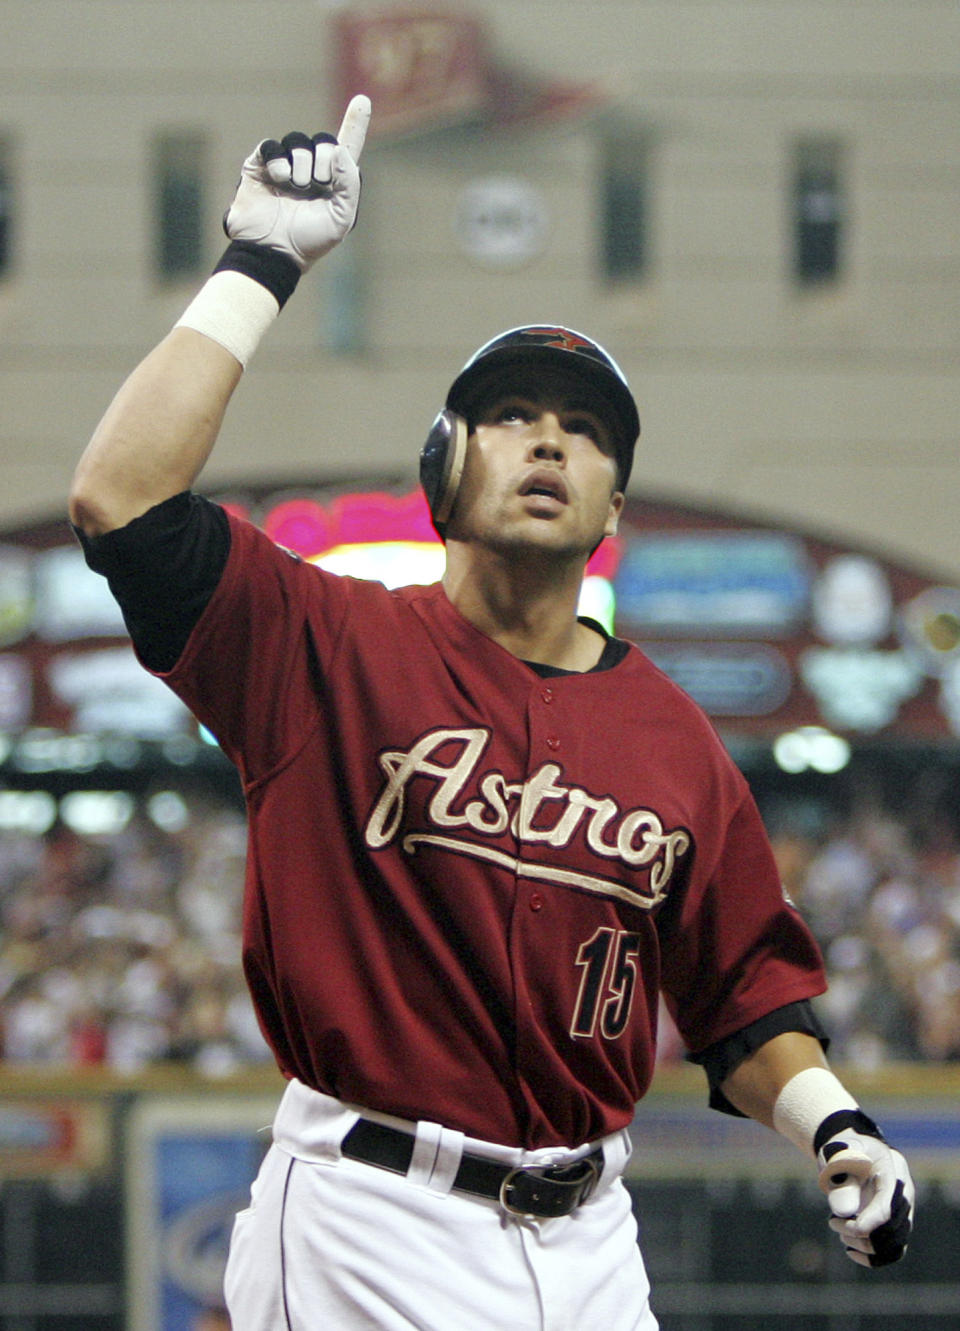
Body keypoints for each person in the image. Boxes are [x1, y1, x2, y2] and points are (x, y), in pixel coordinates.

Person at [69, 95, 914, 1330]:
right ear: (440, 469)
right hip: (372, 1208)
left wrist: (838, 1123)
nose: (549, 442)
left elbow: (746, 996)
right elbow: (121, 495)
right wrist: (261, 261)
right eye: (512, 416)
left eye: (583, 430)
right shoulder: (324, 643)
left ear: (614, 505)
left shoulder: (674, 739)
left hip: (592, 1237)